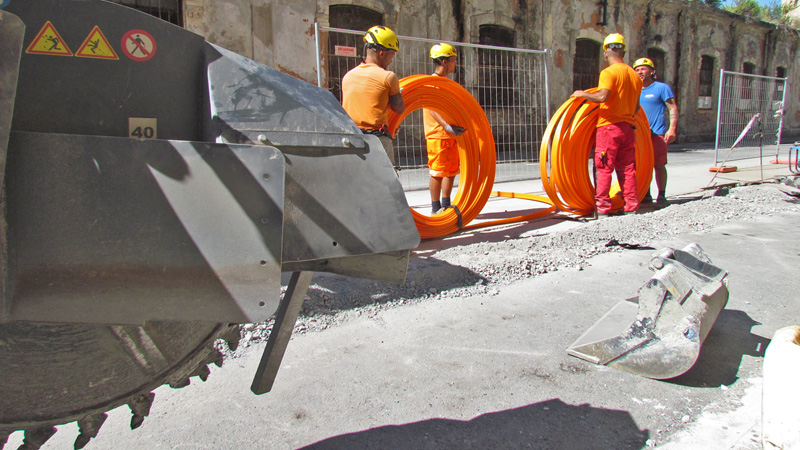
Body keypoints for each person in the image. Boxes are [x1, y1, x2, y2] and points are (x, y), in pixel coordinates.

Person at [571, 33, 642, 217]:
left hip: (609, 127)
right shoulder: (635, 76)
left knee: (603, 167)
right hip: (628, 128)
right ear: (623, 51)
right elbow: (636, 107)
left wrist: (582, 94)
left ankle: (603, 209)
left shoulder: (608, 72)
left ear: (606, 53)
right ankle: (631, 206)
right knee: (627, 169)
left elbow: (602, 96)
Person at [341, 25, 405, 166]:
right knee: (387, 179)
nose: (391, 60)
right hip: (376, 141)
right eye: (391, 55)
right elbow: (399, 109)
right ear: (381, 53)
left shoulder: (348, 76)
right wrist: (398, 94)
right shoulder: (388, 77)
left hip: (351, 139)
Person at [423, 43, 466, 215]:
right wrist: (447, 126)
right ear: (444, 61)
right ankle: (435, 209)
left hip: (450, 135)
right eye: (453, 60)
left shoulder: (446, 83)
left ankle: (446, 205)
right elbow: (432, 108)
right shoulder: (432, 83)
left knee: (451, 171)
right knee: (438, 173)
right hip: (438, 135)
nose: (456, 63)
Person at [634, 57, 678, 207]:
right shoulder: (634, 89)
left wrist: (672, 128)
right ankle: (645, 193)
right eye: (637, 69)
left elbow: (672, 108)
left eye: (643, 68)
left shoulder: (661, 88)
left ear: (652, 71)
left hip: (657, 134)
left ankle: (662, 195)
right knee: (640, 165)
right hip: (639, 136)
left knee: (659, 165)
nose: (640, 72)